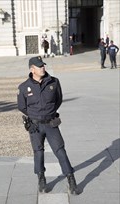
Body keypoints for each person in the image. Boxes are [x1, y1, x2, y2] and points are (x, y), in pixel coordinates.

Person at [17, 56, 80, 195]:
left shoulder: (54, 82)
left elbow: (58, 100)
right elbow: (22, 106)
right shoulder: (23, 87)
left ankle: (71, 179)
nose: (43, 68)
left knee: (60, 151)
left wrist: (48, 112)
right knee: (38, 152)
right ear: (32, 69)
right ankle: (41, 179)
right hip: (35, 126)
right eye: (40, 66)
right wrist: (34, 116)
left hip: (51, 124)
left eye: (43, 65)